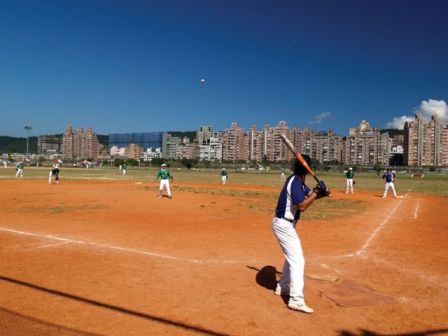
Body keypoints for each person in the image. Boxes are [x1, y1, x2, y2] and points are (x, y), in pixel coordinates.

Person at [272, 156, 331, 314]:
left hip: (286, 224)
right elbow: (303, 205)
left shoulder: (297, 181)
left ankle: (282, 287)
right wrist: (317, 193)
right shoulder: (295, 182)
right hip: (284, 225)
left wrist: (321, 193)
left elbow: (309, 195)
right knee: (298, 260)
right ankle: (296, 300)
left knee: (291, 257)